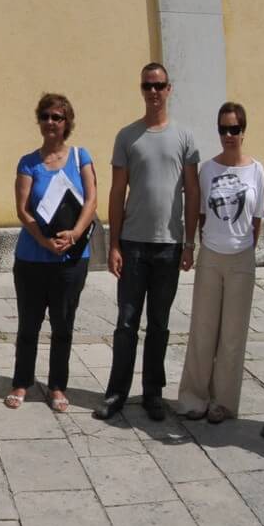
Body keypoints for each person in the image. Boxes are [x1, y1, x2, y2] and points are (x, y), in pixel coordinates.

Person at [97, 62, 201, 422]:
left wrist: (189, 243)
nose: (153, 92)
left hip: (169, 245)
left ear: (169, 89)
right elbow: (116, 190)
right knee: (126, 322)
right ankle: (116, 393)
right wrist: (113, 244)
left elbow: (192, 191)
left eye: (159, 86)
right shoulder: (127, 136)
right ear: (141, 89)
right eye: (147, 86)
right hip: (133, 245)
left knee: (159, 323)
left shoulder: (185, 138)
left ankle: (153, 393)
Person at [6, 93, 95, 414]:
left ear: (67, 121)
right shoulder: (28, 162)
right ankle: (21, 382)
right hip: (33, 257)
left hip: (71, 259)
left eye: (57, 117)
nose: (51, 122)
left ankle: (57, 385)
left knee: (63, 325)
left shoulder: (80, 158)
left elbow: (91, 201)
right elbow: (22, 209)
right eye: (45, 116)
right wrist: (44, 241)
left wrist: (74, 233)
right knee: (29, 325)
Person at [177, 103, 264, 423]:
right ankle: (193, 398)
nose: (228, 135)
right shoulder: (208, 170)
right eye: (223, 129)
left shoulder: (257, 171)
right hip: (211, 257)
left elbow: (256, 222)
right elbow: (200, 214)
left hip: (242, 259)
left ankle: (223, 402)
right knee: (203, 329)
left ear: (244, 131)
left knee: (232, 335)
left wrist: (241, 246)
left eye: (234, 129)